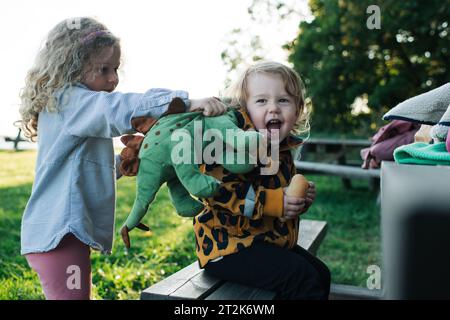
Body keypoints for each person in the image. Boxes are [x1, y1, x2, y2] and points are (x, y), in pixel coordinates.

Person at [18, 17, 226, 300]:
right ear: (72, 66)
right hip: (60, 237)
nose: (114, 78)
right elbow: (117, 108)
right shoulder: (71, 102)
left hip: (59, 237)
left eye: (115, 69)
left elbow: (78, 169)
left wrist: (122, 164)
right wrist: (184, 103)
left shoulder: (71, 108)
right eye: (104, 69)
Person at [194, 61, 331, 299]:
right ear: (244, 108)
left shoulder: (283, 150)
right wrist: (276, 202)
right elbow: (220, 193)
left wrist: (299, 201)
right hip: (227, 247)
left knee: (320, 273)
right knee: (302, 278)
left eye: (283, 100)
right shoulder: (232, 145)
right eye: (261, 101)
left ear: (297, 109)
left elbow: (282, 200)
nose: (274, 108)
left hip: (264, 242)